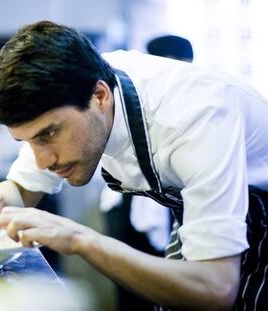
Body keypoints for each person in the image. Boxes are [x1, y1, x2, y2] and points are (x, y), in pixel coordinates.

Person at [0, 21, 268, 310]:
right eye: (27, 141)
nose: (42, 159)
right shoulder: (69, 94)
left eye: (47, 135)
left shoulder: (196, 117)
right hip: (199, 215)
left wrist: (79, 238)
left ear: (100, 96)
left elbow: (216, 288)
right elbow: (23, 188)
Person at [99, 34, 194, 310]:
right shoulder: (128, 90)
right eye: (173, 64)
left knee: (166, 283)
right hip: (124, 205)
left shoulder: (192, 102)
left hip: (169, 204)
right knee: (130, 287)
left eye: (185, 66)